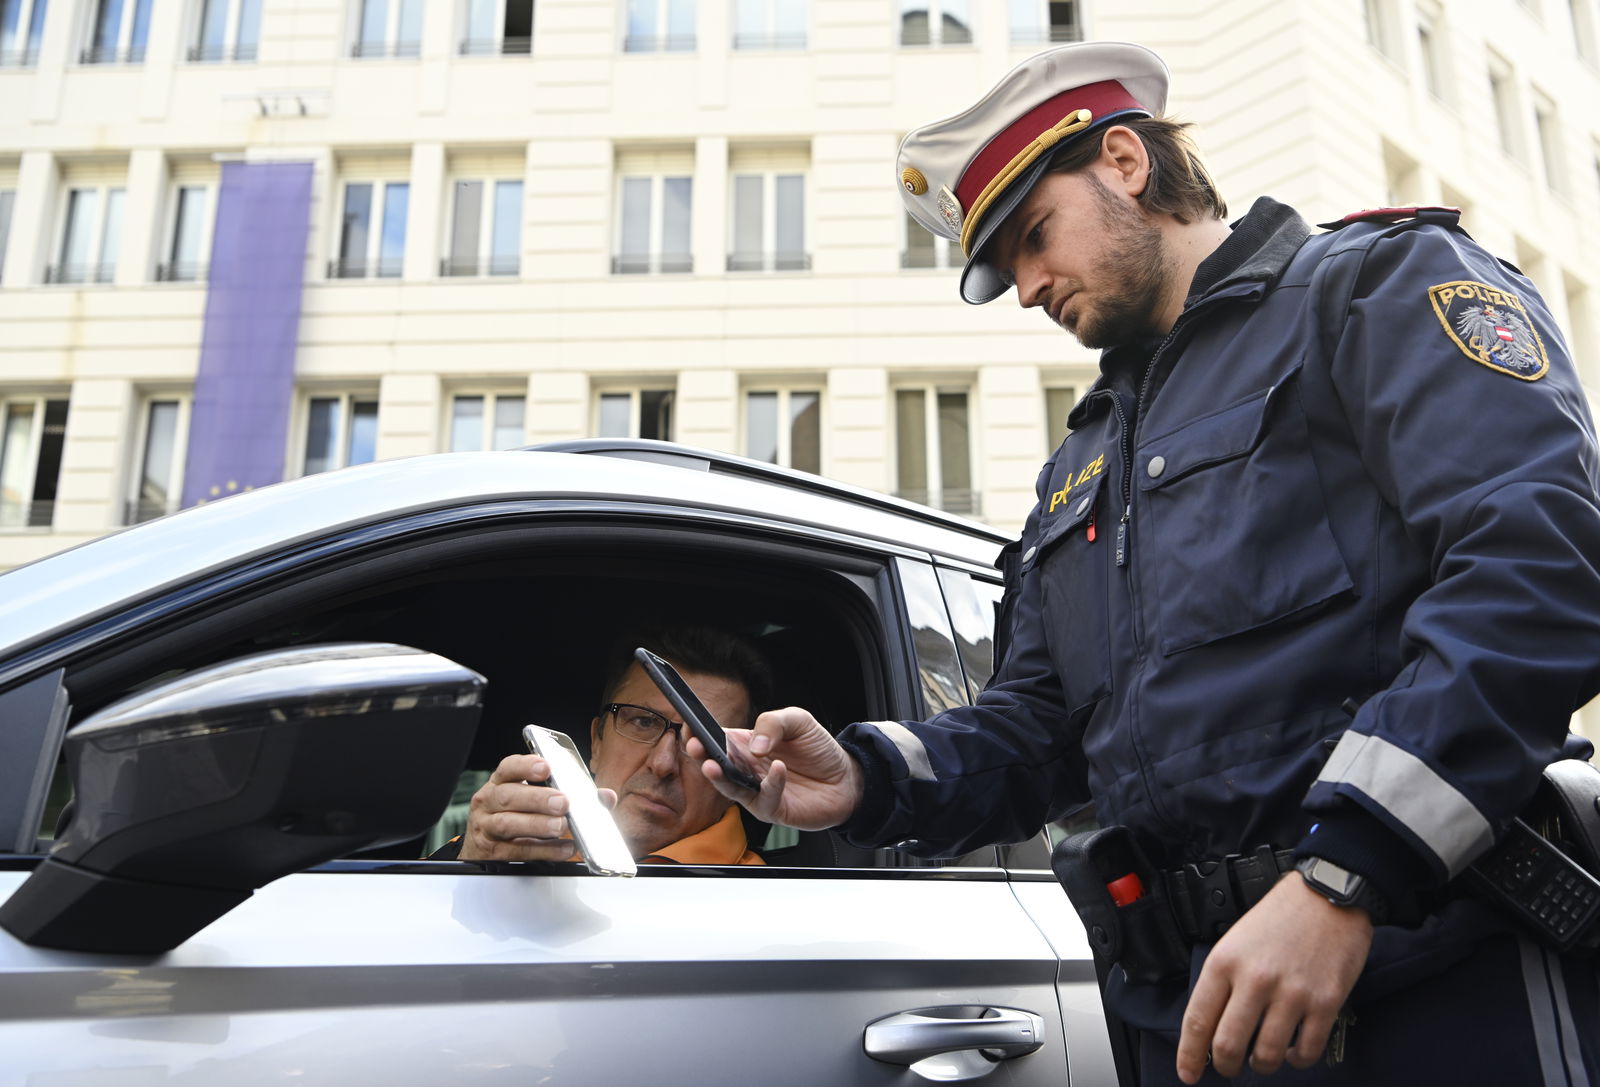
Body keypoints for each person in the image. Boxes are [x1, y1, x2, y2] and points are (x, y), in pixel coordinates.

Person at [693, 40, 1600, 1086]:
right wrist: (864, 775)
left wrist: (1347, 872)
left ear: (1124, 161)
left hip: (1431, 979)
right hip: (1189, 1016)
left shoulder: (1371, 290)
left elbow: (1540, 571)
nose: (1026, 287)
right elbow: (1039, 727)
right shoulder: (1079, 460)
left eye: (1033, 237)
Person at [435, 627, 772, 865]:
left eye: (704, 741)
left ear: (735, 778)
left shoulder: (771, 908)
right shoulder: (496, 846)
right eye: (643, 721)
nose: (663, 764)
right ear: (596, 741)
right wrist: (472, 867)